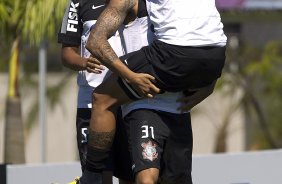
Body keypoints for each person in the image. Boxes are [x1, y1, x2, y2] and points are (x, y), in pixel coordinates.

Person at [79, 0, 225, 184]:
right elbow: (207, 44)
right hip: (147, 103)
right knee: (146, 179)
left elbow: (95, 41)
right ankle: (92, 177)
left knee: (101, 98)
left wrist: (131, 76)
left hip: (174, 98)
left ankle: (91, 177)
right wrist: (209, 79)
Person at [112, 1, 195, 183]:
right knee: (146, 179)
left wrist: (209, 85)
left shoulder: (183, 6)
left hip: (177, 106)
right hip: (143, 103)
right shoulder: (132, 3)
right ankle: (91, 174)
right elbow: (96, 40)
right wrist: (130, 76)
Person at [57, 0, 123, 183]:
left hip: (129, 100)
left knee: (131, 175)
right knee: (98, 178)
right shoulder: (77, 3)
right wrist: (84, 63)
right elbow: (66, 54)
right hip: (90, 103)